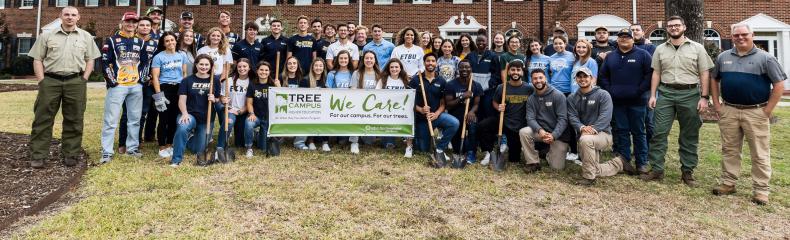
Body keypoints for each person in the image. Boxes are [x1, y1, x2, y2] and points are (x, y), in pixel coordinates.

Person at [710, 23, 787, 205]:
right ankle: (728, 183)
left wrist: (767, 110)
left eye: (744, 34)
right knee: (729, 149)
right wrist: (717, 105)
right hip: (729, 110)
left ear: (752, 35)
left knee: (759, 152)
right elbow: (714, 79)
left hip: (756, 112)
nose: (740, 38)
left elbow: (779, 85)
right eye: (736, 35)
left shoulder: (766, 58)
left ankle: (761, 190)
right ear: (732, 37)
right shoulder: (723, 57)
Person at [641, 16, 715, 187]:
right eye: (670, 26)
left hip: (689, 94)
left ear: (684, 27)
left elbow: (705, 73)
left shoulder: (697, 48)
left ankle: (687, 172)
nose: (674, 28)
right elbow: (656, 73)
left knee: (689, 134)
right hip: (665, 93)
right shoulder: (660, 49)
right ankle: (657, 169)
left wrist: (704, 97)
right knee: (658, 132)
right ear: (667, 29)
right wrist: (653, 95)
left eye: (677, 25)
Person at [27, 6, 100, 168]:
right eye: (66, 14)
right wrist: (42, 81)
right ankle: (38, 155)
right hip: (50, 81)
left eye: (73, 15)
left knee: (74, 118)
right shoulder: (47, 36)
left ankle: (71, 154)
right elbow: (37, 59)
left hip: (75, 82)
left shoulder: (86, 37)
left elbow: (90, 59)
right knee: (43, 118)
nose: (70, 17)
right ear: (60, 16)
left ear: (78, 17)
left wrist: (84, 79)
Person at [598, 28, 653, 174]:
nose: (624, 39)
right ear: (617, 40)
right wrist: (610, 90)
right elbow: (603, 76)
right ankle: (624, 161)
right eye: (621, 37)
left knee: (639, 132)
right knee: (621, 131)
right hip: (617, 102)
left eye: (627, 37)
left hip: (638, 101)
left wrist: (639, 90)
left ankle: (641, 163)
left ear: (632, 39)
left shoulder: (643, 55)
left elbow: (649, 75)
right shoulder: (611, 57)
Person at [99, 12, 150, 163]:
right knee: (111, 120)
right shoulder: (112, 40)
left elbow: (146, 62)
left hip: (135, 86)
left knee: (135, 119)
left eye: (134, 22)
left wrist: (141, 80)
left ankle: (132, 148)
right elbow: (104, 62)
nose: (131, 24)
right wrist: (112, 81)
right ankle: (107, 152)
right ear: (122, 22)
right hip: (118, 86)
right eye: (128, 21)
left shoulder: (140, 42)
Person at [568, 67, 624, 186]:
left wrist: (592, 130)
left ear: (592, 78)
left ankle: (589, 178)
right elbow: (572, 117)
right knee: (593, 165)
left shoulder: (603, 94)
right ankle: (618, 164)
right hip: (583, 133)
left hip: (603, 134)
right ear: (576, 79)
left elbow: (606, 117)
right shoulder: (572, 98)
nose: (582, 79)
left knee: (585, 140)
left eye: (585, 76)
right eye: (579, 77)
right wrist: (582, 128)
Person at [171, 55, 223, 166]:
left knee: (197, 150)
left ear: (210, 66)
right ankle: (176, 160)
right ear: (196, 65)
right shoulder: (187, 80)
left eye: (206, 65)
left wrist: (214, 99)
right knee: (182, 127)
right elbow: (181, 100)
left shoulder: (215, 80)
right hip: (190, 114)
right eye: (201, 64)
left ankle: (190, 139)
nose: (203, 67)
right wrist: (184, 114)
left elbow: (218, 99)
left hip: (206, 118)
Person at [477, 60, 533, 163]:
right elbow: (494, 101)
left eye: (518, 70)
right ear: (508, 72)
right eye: (512, 70)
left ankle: (513, 148)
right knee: (483, 125)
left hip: (518, 125)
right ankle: (489, 152)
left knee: (514, 159)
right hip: (503, 121)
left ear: (522, 72)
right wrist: (498, 107)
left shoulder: (529, 88)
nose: (515, 72)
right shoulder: (502, 87)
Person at [117, 16, 159, 154]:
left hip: (146, 83)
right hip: (129, 81)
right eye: (142, 25)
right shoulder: (130, 41)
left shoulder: (155, 43)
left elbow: (156, 62)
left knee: (142, 113)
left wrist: (153, 77)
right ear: (137, 27)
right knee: (127, 114)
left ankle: (136, 141)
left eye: (148, 25)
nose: (145, 27)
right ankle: (122, 142)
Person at [409, 53, 459, 160]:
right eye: (428, 61)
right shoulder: (416, 80)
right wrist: (420, 109)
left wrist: (436, 114)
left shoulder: (441, 81)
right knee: (422, 149)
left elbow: (443, 103)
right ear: (424, 63)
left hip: (436, 116)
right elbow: (409, 101)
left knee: (454, 123)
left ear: (436, 63)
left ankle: (440, 149)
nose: (430, 63)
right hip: (421, 119)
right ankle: (423, 141)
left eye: (433, 61)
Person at [520, 69, 569, 172]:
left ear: (545, 78)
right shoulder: (531, 99)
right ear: (531, 81)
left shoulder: (558, 95)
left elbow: (563, 119)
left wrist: (554, 135)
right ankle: (533, 162)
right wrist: (540, 130)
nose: (538, 81)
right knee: (524, 132)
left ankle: (548, 153)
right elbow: (530, 118)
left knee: (557, 167)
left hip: (558, 135)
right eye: (535, 78)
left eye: (540, 77)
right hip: (541, 133)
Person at [150, 32, 189, 159]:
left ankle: (170, 143)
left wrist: (184, 90)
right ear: (163, 43)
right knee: (163, 118)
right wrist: (159, 94)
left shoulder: (182, 55)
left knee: (174, 118)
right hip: (164, 87)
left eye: (172, 40)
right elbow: (155, 77)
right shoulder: (158, 57)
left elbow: (184, 73)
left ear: (176, 41)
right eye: (167, 41)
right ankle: (162, 146)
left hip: (178, 88)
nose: (170, 43)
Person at [444, 60, 482, 163]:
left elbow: (476, 104)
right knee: (457, 149)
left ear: (471, 69)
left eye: (467, 67)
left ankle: (471, 152)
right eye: (462, 67)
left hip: (469, 116)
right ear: (458, 69)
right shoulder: (451, 85)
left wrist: (472, 112)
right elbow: (448, 105)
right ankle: (460, 149)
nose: (464, 69)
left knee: (473, 124)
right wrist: (462, 96)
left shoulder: (476, 85)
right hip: (455, 117)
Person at [376, 58, 413, 151]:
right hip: (385, 109)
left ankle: (405, 137)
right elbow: (377, 94)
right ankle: (389, 140)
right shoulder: (383, 80)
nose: (394, 69)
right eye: (391, 67)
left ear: (400, 68)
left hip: (401, 109)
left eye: (396, 67)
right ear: (388, 69)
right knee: (388, 145)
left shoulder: (405, 80)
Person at [468, 32, 501, 133]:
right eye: (479, 41)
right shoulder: (470, 55)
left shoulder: (492, 56)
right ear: (475, 42)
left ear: (487, 43)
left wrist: (489, 85)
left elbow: (497, 73)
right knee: (476, 113)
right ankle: (475, 136)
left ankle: (489, 136)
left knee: (488, 112)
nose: (481, 42)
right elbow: (465, 70)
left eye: (483, 41)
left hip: (488, 91)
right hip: (474, 91)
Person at [326, 50, 359, 153]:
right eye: (341, 58)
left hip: (350, 105)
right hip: (335, 105)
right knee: (339, 139)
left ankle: (351, 140)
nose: (343, 60)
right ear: (337, 60)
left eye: (345, 58)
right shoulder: (332, 74)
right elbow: (327, 90)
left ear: (349, 60)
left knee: (344, 139)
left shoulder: (353, 73)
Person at [245, 61, 279, 158]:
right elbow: (249, 103)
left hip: (269, 118)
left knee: (263, 148)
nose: (263, 72)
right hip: (257, 116)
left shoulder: (273, 84)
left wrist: (279, 87)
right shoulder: (252, 85)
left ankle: (256, 136)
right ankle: (249, 148)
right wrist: (251, 113)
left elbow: (281, 101)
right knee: (248, 123)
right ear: (257, 71)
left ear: (269, 72)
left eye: (266, 70)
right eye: (261, 70)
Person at [216, 59, 251, 152]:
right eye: (239, 66)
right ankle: (220, 147)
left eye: (244, 66)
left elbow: (251, 102)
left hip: (244, 111)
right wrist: (223, 99)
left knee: (240, 144)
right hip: (230, 109)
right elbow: (222, 96)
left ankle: (255, 136)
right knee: (229, 122)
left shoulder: (251, 82)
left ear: (249, 68)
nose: (242, 68)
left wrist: (240, 111)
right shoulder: (229, 80)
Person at [298, 58, 330, 151]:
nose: (318, 68)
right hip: (309, 108)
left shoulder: (326, 80)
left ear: (323, 68)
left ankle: (325, 142)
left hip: (323, 108)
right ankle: (310, 141)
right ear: (312, 67)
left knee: (326, 117)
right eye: (316, 65)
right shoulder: (305, 80)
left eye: (320, 66)